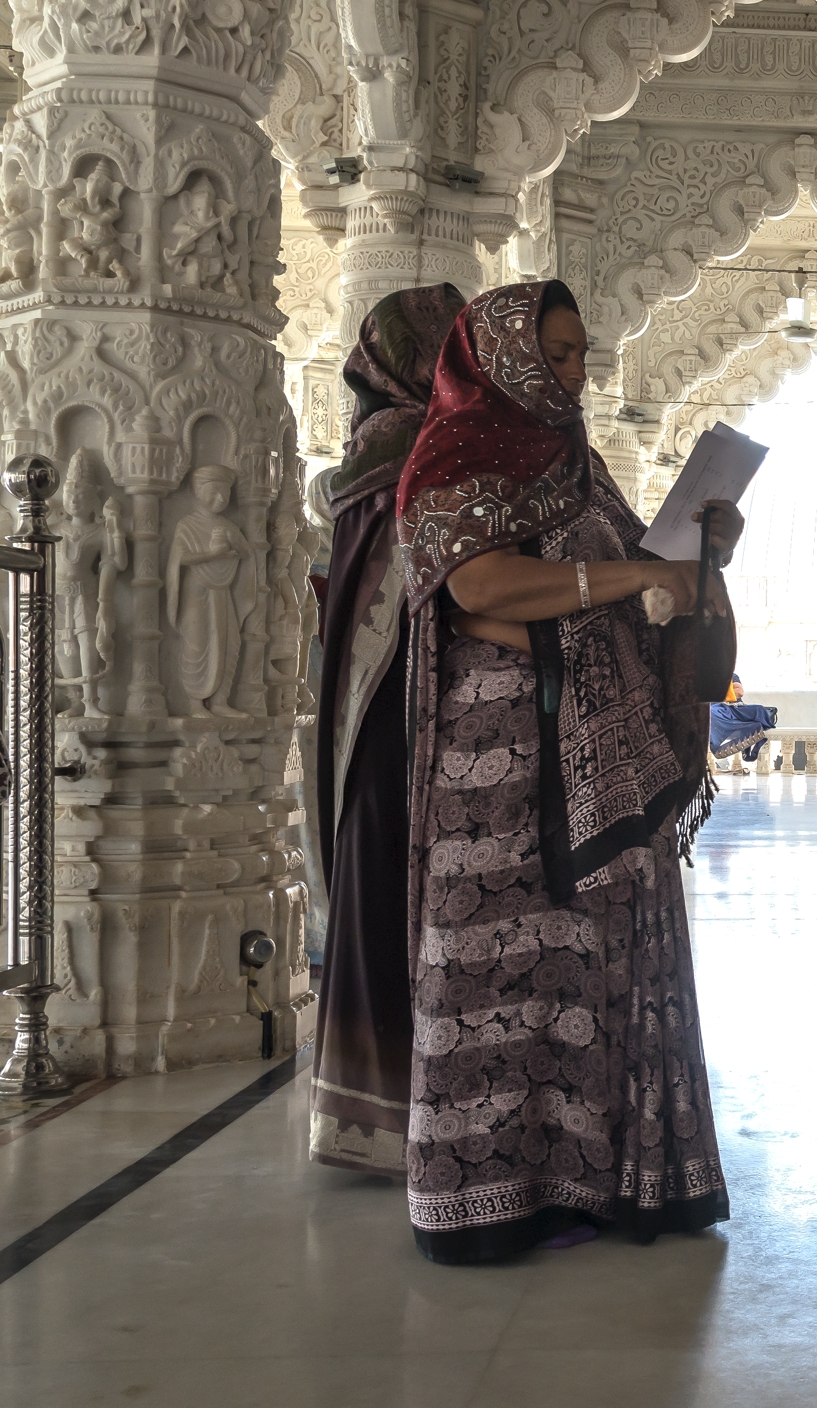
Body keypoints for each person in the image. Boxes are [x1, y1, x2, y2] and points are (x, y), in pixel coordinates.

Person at [391, 279, 740, 1260]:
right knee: (496, 970)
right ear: (501, 355)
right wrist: (627, 576)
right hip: (494, 770)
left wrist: (697, 557)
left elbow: (648, 588)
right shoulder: (454, 457)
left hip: (605, 766)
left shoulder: (582, 472)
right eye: (556, 352)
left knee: (592, 965)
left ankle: (599, 1182)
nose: (575, 370)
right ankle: (485, 1201)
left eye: (580, 352)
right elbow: (477, 582)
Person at [310, 282, 466, 1176]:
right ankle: (394, 1114)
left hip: (387, 723)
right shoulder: (411, 453)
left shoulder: (385, 450)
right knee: (399, 905)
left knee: (390, 903)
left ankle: (388, 1115)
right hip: (403, 718)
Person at [710, 675, 777, 770]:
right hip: (718, 710)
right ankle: (751, 736)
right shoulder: (703, 677)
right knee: (712, 712)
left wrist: (718, 693)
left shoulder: (731, 675)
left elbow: (739, 692)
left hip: (736, 708)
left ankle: (751, 738)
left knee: (759, 709)